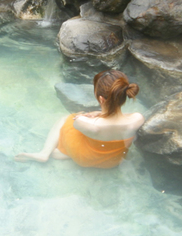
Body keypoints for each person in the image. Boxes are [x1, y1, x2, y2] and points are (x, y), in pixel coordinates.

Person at [15, 70, 145, 169]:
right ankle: (62, 153)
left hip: (84, 159)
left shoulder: (88, 124)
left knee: (66, 119)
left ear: (101, 99)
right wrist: (100, 114)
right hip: (113, 162)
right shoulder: (137, 119)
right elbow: (122, 117)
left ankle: (44, 153)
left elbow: (77, 122)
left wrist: (86, 115)